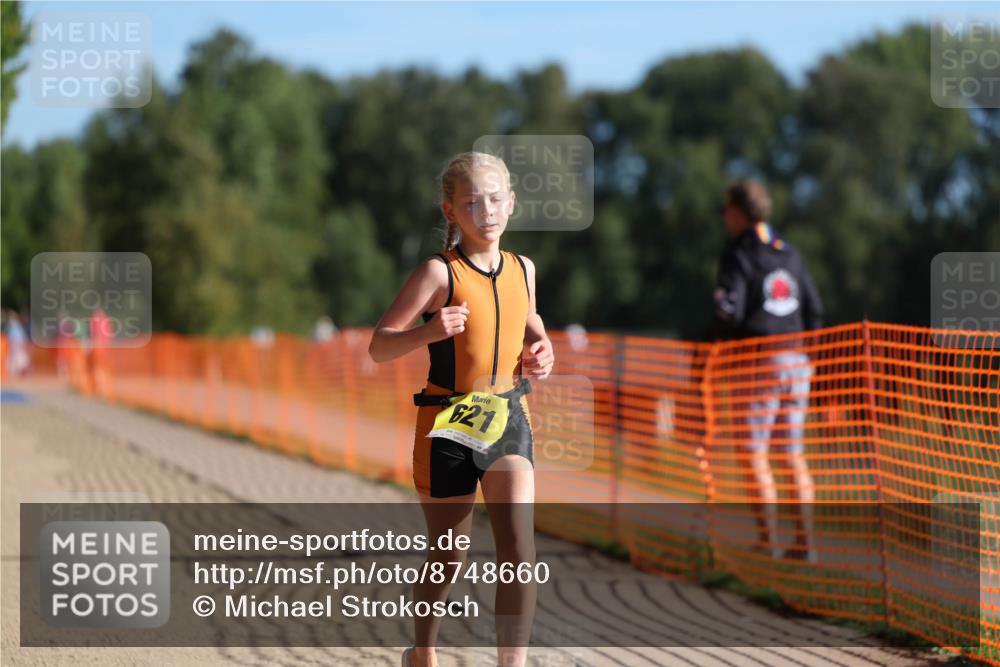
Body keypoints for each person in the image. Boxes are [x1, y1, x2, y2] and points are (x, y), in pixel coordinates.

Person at [368, 151, 554, 667]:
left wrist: (544, 350)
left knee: (519, 549)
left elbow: (528, 319)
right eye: (472, 202)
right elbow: (380, 345)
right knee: (449, 554)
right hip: (447, 422)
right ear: (451, 212)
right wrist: (429, 330)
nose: (486, 210)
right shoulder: (438, 273)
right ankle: (423, 650)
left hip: (508, 415)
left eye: (495, 199)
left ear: (512, 204)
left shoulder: (523, 268)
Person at [708, 179, 824, 563]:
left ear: (739, 212)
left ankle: (768, 540)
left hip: (756, 362)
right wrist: (806, 352)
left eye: (727, 209)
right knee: (791, 454)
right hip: (796, 361)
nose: (725, 216)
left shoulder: (739, 253)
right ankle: (805, 542)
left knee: (754, 452)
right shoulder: (788, 251)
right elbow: (814, 309)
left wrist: (717, 339)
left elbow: (731, 310)